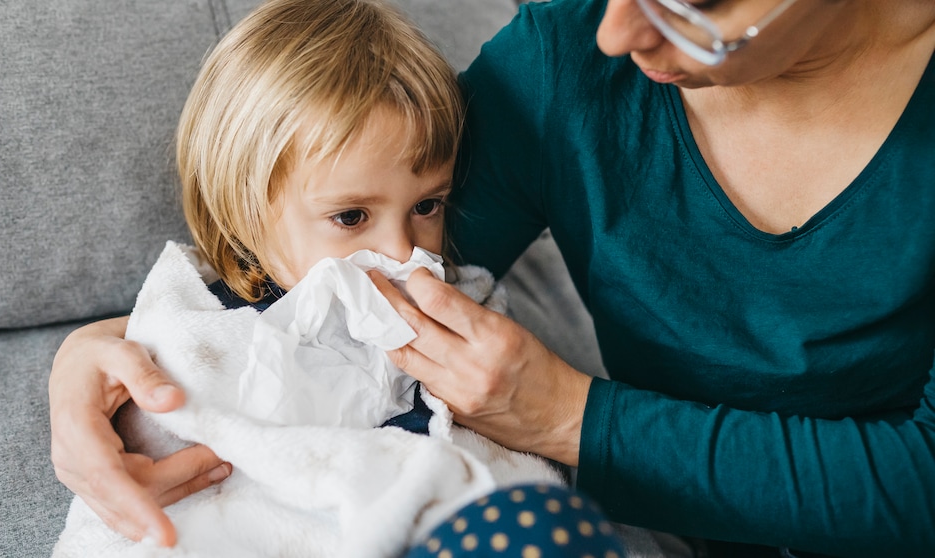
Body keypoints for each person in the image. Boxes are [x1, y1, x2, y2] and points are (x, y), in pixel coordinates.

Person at [50, 0, 935, 555]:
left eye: (690, 2)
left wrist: (566, 416)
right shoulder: (569, 58)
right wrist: (101, 354)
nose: (615, 32)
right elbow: (316, 247)